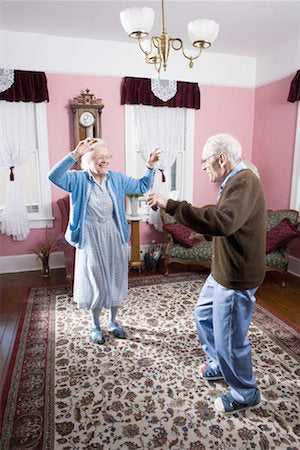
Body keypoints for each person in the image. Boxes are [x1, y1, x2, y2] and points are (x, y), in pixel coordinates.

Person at [148, 133, 266, 414]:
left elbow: (223, 221)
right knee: (202, 315)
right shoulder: (235, 182)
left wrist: (171, 205)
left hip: (236, 275)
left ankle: (245, 392)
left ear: (222, 159)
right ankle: (219, 364)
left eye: (205, 162)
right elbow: (233, 223)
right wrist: (208, 237)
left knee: (231, 338)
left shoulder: (245, 180)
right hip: (222, 270)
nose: (203, 167)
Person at [49, 137, 160, 344]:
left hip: (113, 233)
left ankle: (113, 321)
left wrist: (150, 165)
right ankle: (94, 324)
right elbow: (53, 176)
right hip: (90, 234)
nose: (105, 160)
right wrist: (74, 153)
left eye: (107, 157)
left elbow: (142, 185)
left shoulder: (116, 179)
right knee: (97, 278)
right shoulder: (78, 179)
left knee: (116, 277)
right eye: (100, 157)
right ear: (88, 159)